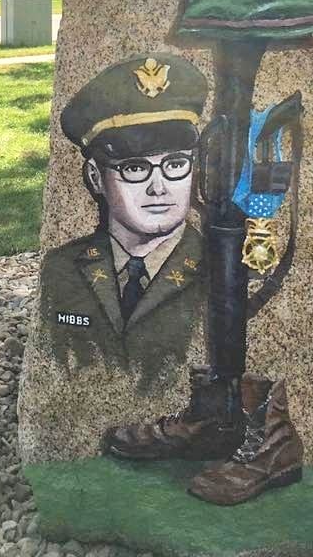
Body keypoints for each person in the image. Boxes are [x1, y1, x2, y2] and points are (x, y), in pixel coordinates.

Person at [39, 54, 208, 384]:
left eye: (175, 165)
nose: (159, 188)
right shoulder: (63, 271)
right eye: (135, 168)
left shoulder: (219, 271)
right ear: (96, 177)